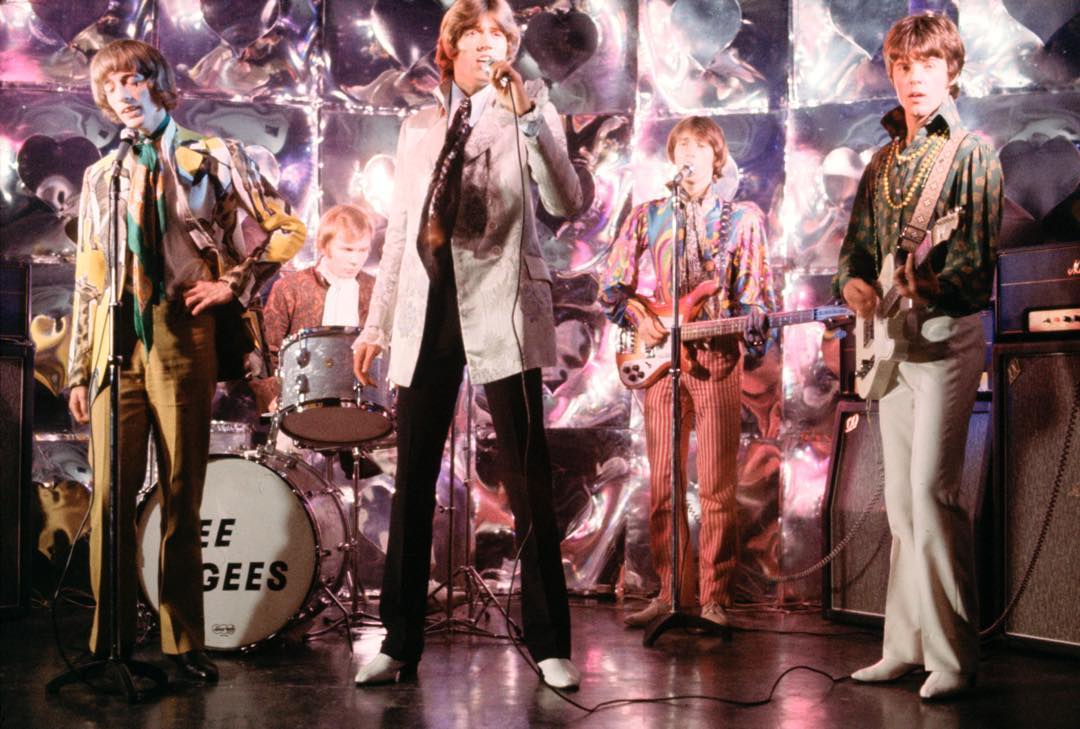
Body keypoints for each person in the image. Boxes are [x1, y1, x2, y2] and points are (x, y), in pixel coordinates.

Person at [351, 0, 582, 689]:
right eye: (473, 37)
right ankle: (398, 637)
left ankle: (548, 641)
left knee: (526, 474)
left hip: (503, 305)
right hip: (430, 304)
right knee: (414, 474)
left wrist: (532, 121)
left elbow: (566, 202)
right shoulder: (420, 125)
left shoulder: (532, 112)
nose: (488, 47)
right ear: (449, 51)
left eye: (499, 37)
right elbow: (399, 235)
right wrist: (375, 322)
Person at [66, 39, 306, 682]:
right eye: (112, 83)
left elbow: (286, 229)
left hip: (181, 329)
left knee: (180, 491)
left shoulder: (211, 155)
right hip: (116, 341)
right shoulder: (101, 176)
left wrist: (234, 282)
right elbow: (89, 278)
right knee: (112, 494)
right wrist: (80, 366)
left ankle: (181, 639)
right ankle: (109, 641)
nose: (124, 91)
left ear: (158, 84)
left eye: (134, 78)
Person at [834, 13, 1002, 701]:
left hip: (946, 338)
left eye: (927, 64)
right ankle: (903, 645)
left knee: (933, 496)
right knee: (901, 505)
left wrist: (929, 281)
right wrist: (852, 281)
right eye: (903, 65)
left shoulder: (972, 153)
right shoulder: (882, 160)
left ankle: (954, 656)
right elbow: (855, 248)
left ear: (951, 69)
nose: (914, 77)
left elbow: (976, 262)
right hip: (892, 340)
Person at [600, 116, 776, 628]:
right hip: (659, 367)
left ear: (716, 158)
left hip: (717, 357)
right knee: (663, 485)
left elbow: (755, 300)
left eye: (701, 147)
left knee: (718, 486)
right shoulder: (648, 216)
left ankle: (714, 598)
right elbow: (611, 287)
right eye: (682, 147)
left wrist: (756, 327)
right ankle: (670, 591)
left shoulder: (740, 220)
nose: (690, 155)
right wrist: (643, 319)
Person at [250, 202, 377, 415]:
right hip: (299, 407)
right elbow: (265, 353)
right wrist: (273, 395)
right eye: (346, 249)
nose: (355, 259)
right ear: (324, 245)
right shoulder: (290, 288)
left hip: (361, 408)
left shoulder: (375, 291)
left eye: (362, 250)